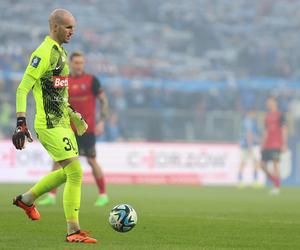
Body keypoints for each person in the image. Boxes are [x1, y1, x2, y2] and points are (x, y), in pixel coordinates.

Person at [11, 9, 97, 243]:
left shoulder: (61, 53)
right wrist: (21, 121)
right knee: (76, 172)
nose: (72, 31)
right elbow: (22, 88)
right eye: (68, 27)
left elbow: (59, 94)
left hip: (62, 123)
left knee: (67, 173)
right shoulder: (44, 52)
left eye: (74, 27)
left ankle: (26, 200)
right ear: (55, 27)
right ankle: (73, 231)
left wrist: (73, 114)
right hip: (48, 124)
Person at [38, 51, 109, 206]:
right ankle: (51, 195)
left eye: (81, 63)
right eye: (76, 63)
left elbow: (103, 100)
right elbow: (53, 98)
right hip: (66, 129)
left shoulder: (91, 80)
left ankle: (103, 194)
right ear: (70, 63)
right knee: (58, 161)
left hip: (86, 128)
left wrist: (102, 121)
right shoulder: (64, 81)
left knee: (91, 160)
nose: (79, 65)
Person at [260, 97, 288, 195]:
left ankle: (277, 187)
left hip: (276, 143)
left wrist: (284, 143)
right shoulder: (267, 116)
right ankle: (275, 181)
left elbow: (284, 129)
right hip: (267, 144)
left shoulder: (280, 115)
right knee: (262, 165)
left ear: (275, 103)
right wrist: (262, 143)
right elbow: (265, 131)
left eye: (270, 102)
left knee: (276, 164)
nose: (268, 104)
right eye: (267, 102)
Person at [237, 109, 261, 187]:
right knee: (253, 161)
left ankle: (240, 180)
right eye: (254, 113)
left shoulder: (248, 121)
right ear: (250, 113)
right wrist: (250, 146)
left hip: (246, 144)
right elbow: (249, 133)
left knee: (247, 161)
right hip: (248, 145)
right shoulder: (248, 121)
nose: (255, 115)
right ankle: (254, 180)